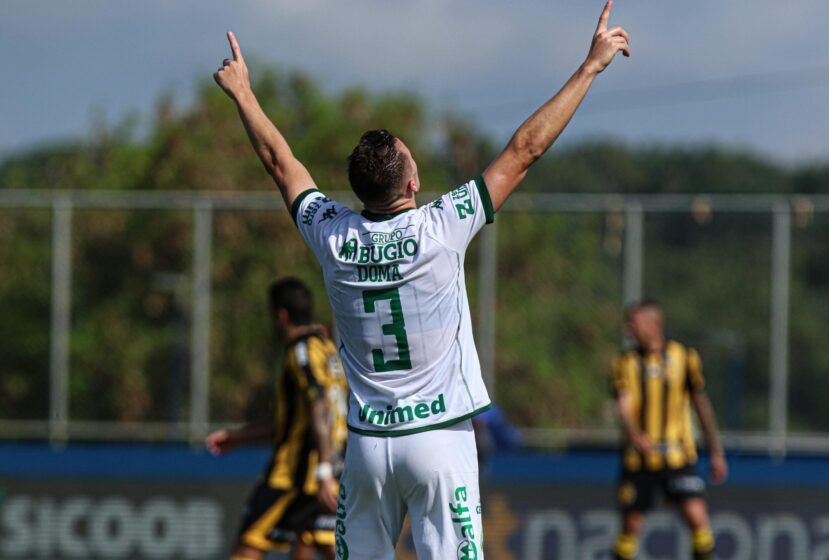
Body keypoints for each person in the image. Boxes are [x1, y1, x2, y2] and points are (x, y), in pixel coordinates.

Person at [213, 2, 629, 556]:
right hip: (437, 439)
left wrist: (243, 92)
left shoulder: (333, 235)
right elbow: (525, 149)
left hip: (364, 449)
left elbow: (279, 161)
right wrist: (590, 67)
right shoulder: (441, 227)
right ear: (411, 185)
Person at [206, 278, 348, 560]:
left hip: (295, 475)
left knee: (248, 546)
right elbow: (297, 422)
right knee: (315, 546)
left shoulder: (301, 352)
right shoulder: (328, 350)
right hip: (331, 468)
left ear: (281, 314)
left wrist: (322, 470)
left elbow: (319, 407)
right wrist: (239, 437)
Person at [611, 299, 728, 560]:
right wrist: (635, 435)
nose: (629, 327)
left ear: (654, 324)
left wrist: (716, 451)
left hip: (678, 455)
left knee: (697, 516)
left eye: (635, 322)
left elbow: (701, 404)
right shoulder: (625, 363)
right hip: (639, 459)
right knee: (631, 525)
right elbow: (624, 407)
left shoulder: (684, 357)